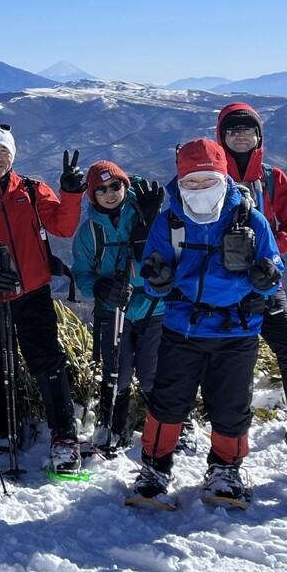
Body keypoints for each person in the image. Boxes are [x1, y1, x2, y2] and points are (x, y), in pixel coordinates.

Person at [128, 138, 284, 508]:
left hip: (237, 329)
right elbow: (152, 272)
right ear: (180, 182)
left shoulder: (250, 220)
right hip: (182, 327)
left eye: (207, 180)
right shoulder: (169, 222)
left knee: (231, 405)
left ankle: (226, 470)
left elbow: (274, 267)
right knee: (168, 402)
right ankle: (154, 469)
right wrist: (157, 280)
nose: (199, 188)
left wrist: (267, 276)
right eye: (191, 182)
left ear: (223, 178)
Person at [0, 123, 87, 474]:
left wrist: (71, 193)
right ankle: (5, 431)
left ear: (12, 155)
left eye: (3, 151)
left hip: (34, 293)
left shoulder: (31, 189)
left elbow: (63, 227)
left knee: (48, 362)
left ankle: (64, 436)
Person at [214, 103, 287, 450]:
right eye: (233, 130)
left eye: (248, 130)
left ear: (259, 136)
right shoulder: (210, 178)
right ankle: (208, 424)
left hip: (266, 282)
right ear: (221, 136)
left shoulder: (273, 179)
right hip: (220, 284)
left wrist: (271, 252)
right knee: (209, 353)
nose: (241, 136)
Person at [71, 160, 166, 451]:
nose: (110, 193)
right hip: (113, 311)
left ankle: (170, 425)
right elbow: (81, 274)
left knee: (151, 374)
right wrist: (99, 287)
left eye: (115, 185)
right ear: (92, 195)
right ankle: (112, 427)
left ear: (125, 185)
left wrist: (152, 224)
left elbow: (172, 256)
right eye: (101, 189)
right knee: (117, 373)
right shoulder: (89, 233)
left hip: (153, 307)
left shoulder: (147, 215)